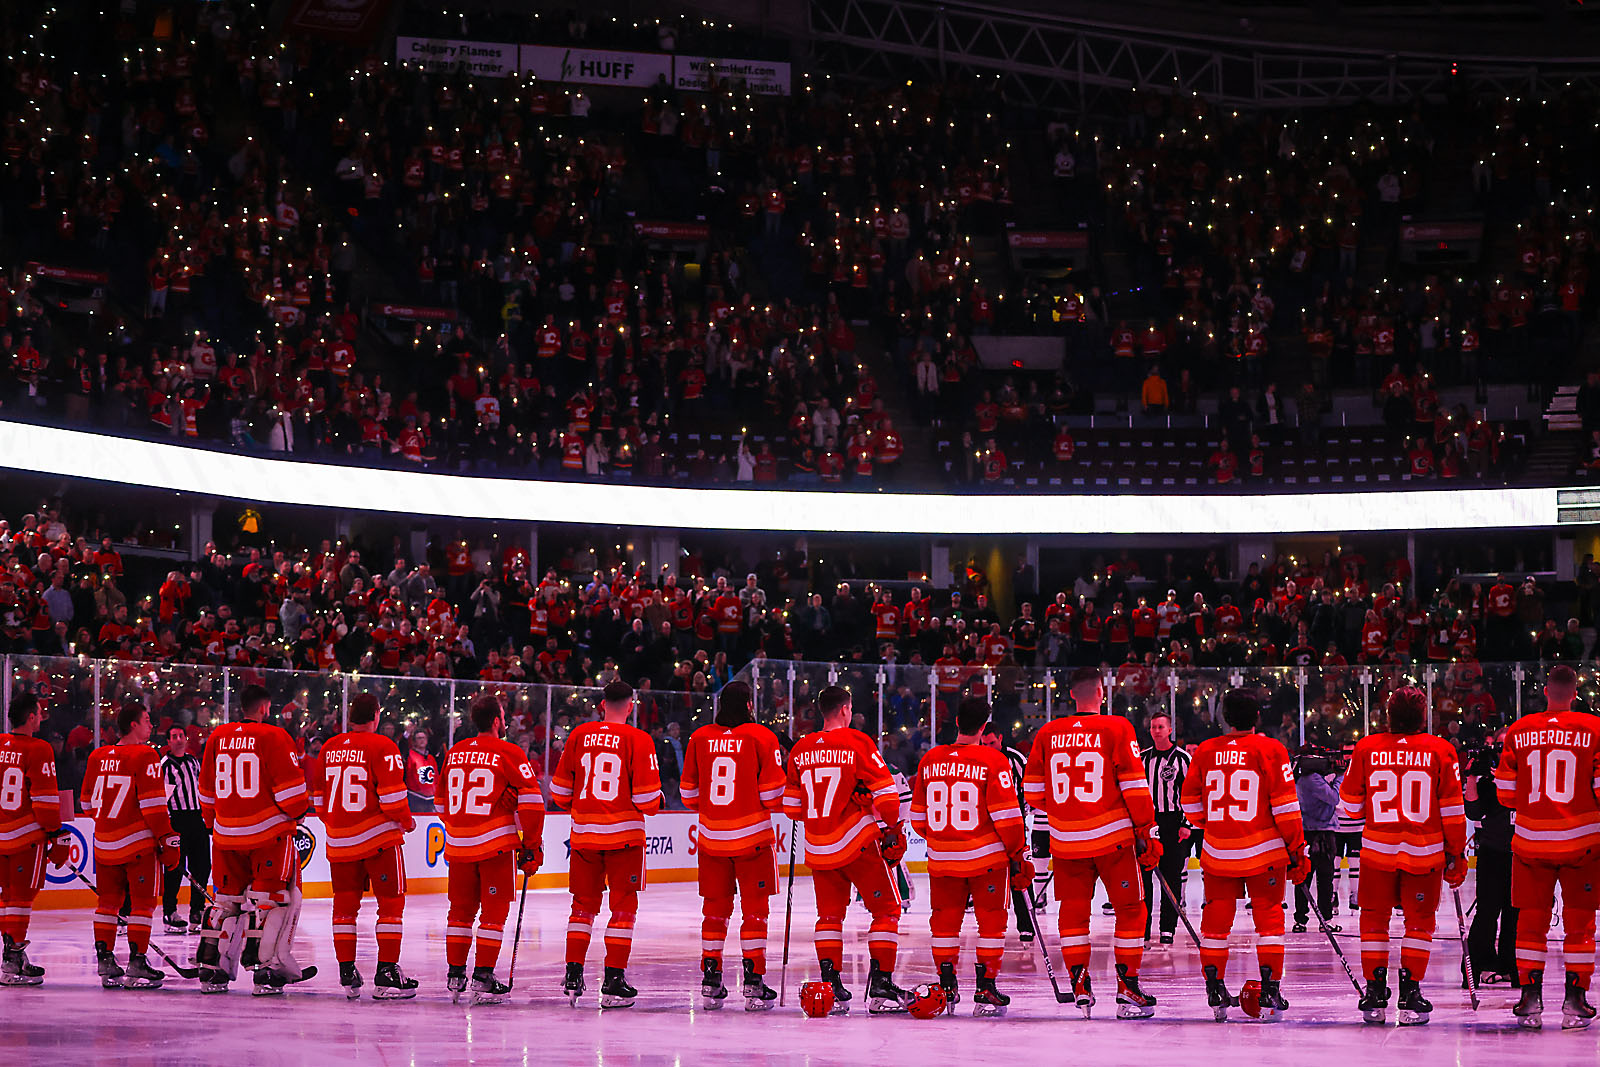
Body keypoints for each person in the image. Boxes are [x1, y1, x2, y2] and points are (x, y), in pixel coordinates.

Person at [1024, 666, 1161, 1018]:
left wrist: (1069, 811)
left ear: (1071, 694)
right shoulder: (1118, 727)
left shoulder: (1047, 733)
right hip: (1114, 839)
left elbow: (1034, 794)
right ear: (1102, 692)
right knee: (1131, 910)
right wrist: (1146, 830)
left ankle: (1080, 984)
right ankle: (1127, 988)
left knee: (1073, 914)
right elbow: (1134, 786)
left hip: (1067, 841)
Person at [1338, 687, 1467, 1026]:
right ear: (1423, 716)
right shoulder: (1441, 750)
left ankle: (1375, 992)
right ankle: (1411, 993)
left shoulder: (1367, 748)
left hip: (1378, 852)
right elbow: (1453, 811)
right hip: (1424, 853)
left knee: (1374, 922)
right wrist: (1457, 854)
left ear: (1388, 716)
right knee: (1420, 924)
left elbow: (1350, 808)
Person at [1181, 688, 1310, 1021]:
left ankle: (1215, 988)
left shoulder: (1206, 751)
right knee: (1268, 918)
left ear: (1225, 717)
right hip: (1264, 850)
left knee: (1215, 924)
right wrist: (1296, 849)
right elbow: (1286, 807)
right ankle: (1270, 989)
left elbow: (1189, 804)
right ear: (1257, 717)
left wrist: (1212, 824)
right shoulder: (1271, 749)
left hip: (1219, 851)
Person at [782, 684, 912, 1013]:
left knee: (828, 917)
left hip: (819, 846)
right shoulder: (857, 742)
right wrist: (893, 828)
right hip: (858, 842)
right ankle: (881, 985)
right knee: (887, 912)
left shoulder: (800, 749)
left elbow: (792, 808)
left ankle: (830, 983)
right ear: (844, 710)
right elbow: (887, 796)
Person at [1494, 664, 1600, 1029]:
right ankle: (1575, 999)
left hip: (1530, 844)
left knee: (1530, 923)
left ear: (1545, 692)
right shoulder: (1595, 729)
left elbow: (1506, 795)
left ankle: (1530, 997)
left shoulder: (1519, 730)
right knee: (1579, 925)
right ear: (1574, 693)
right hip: (1582, 844)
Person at [911, 698, 1029, 1015]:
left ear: (957, 721)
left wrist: (944, 840)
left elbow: (918, 821)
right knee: (991, 925)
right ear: (982, 726)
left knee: (944, 926)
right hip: (986, 861)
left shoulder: (930, 760)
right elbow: (1008, 819)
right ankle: (985, 988)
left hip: (941, 860)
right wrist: (1018, 853)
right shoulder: (993, 761)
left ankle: (946, 988)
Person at [550, 679, 662, 1008]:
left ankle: (573, 973)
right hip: (624, 839)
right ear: (631, 705)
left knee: (582, 907)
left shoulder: (579, 736)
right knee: (623, 908)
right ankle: (613, 980)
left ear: (602, 704)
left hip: (584, 836)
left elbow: (559, 795)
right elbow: (648, 801)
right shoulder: (639, 739)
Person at [196, 684, 313, 995]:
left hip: (225, 836)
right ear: (265, 708)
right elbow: (292, 795)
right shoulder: (274, 736)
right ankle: (265, 970)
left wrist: (214, 824)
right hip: (268, 835)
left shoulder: (217, 737)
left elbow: (206, 791)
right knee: (271, 901)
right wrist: (299, 812)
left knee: (226, 901)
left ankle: (211, 969)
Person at [678, 681, 784, 1010]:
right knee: (755, 913)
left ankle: (711, 978)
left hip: (711, 840)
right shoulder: (763, 736)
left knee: (714, 912)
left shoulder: (700, 737)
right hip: (753, 840)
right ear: (749, 706)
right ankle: (753, 980)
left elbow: (688, 796)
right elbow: (772, 796)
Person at [438, 692, 545, 1004]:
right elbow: (533, 803)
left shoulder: (455, 751)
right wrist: (531, 846)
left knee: (459, 912)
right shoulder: (508, 751)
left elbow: (442, 805)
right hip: (495, 847)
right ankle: (483, 975)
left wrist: (465, 824)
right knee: (493, 915)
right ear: (498, 721)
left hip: (457, 847)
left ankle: (455, 974)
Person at [312, 692, 418, 1000]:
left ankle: (347, 971)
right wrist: (408, 822)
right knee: (391, 905)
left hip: (340, 842)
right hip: (380, 841)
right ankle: (386, 972)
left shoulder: (329, 748)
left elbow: (318, 800)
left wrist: (340, 824)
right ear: (376, 715)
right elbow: (394, 800)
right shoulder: (384, 745)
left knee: (344, 907)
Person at [81, 702, 180, 989]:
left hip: (103, 843)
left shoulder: (97, 755)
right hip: (138, 845)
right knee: (143, 904)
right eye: (147, 721)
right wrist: (167, 838)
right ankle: (137, 962)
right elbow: (153, 806)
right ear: (133, 725)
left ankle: (105, 961)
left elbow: (86, 803)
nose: (152, 726)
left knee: (107, 903)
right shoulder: (146, 755)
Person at [0, 694, 65, 985]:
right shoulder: (39, 749)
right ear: (30, 717)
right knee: (22, 899)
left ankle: (10, 954)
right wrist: (57, 833)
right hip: (25, 836)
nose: (41, 717)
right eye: (39, 713)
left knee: (7, 897)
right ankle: (13, 960)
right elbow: (45, 800)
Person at [1464, 727, 1517, 986]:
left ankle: (1512, 965)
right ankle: (1478, 965)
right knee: (1487, 913)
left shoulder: (1528, 776)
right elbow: (1473, 812)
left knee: (1515, 912)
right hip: (1494, 852)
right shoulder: (1486, 782)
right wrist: (1472, 778)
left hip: (1521, 852)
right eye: (1500, 746)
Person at [1140, 711, 1192, 948]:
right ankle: (1143, 928)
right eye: (1153, 727)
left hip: (1173, 823)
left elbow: (1191, 795)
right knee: (1144, 879)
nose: (1156, 731)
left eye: (1161, 727)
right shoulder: (1142, 759)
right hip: (1147, 823)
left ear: (1170, 730)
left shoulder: (1182, 758)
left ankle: (1167, 928)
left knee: (1171, 878)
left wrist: (1186, 825)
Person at [160, 725, 210, 934]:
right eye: (174, 736)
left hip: (196, 818)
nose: (178, 739)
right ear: (168, 741)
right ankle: (169, 912)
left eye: (181, 736)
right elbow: (161, 797)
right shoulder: (164, 765)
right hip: (176, 821)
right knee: (175, 868)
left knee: (203, 866)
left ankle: (196, 911)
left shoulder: (193, 762)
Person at [1291, 748, 1340, 934]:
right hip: (1321, 833)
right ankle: (1324, 919)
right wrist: (1338, 779)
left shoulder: (1300, 779)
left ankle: (1301, 919)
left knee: (1304, 877)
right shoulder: (1313, 779)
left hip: (1306, 832)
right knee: (1324, 878)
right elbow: (1334, 798)